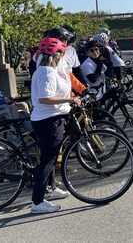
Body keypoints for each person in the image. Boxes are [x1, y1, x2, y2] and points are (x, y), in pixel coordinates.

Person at [29, 37, 81, 214]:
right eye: (61, 54)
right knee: (47, 161)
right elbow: (45, 97)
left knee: (48, 158)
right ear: (55, 55)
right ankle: (37, 202)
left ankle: (50, 188)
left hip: (51, 118)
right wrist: (70, 98)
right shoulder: (46, 73)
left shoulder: (45, 70)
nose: (62, 58)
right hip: (48, 120)